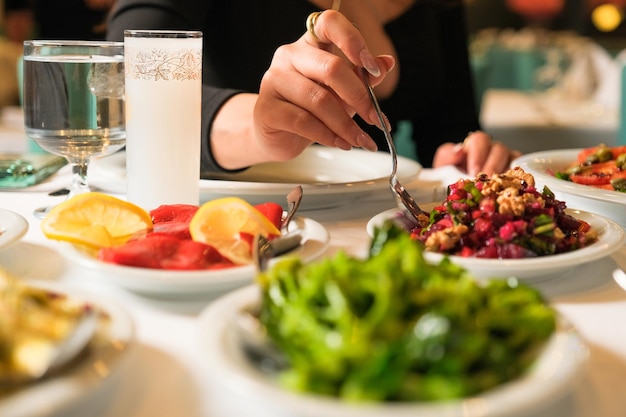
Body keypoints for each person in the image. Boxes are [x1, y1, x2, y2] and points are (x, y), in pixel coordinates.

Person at [106, 0, 519, 177]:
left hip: (374, 234)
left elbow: (449, 128)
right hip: (229, 231)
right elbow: (122, 84)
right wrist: (258, 127)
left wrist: (463, 160)